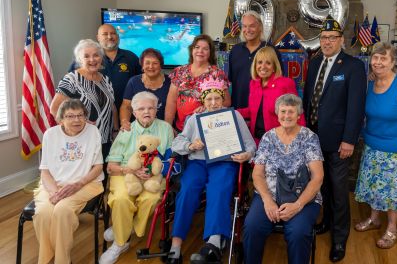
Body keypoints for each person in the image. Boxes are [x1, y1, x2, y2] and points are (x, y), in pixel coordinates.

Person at [167, 77, 256, 264]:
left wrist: (246, 155)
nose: (214, 103)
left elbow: (250, 144)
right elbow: (177, 142)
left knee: (219, 189)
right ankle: (175, 245)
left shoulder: (234, 116)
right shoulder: (194, 118)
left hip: (224, 161)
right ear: (203, 100)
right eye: (209, 99)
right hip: (198, 162)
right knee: (187, 189)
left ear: (223, 99)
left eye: (218, 98)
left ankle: (214, 243)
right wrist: (191, 145)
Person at [302, 15, 367, 262]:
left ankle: (340, 239)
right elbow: (309, 100)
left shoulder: (352, 66)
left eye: (332, 37)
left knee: (340, 192)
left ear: (341, 40)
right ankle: (326, 222)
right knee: (323, 186)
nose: (327, 41)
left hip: (340, 141)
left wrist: (349, 140)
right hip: (314, 139)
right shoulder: (315, 63)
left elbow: (356, 107)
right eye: (324, 37)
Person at [353, 42, 397, 249]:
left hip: (396, 151)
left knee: (393, 193)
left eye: (384, 58)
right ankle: (374, 219)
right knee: (374, 187)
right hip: (372, 146)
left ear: (393, 62)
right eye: (375, 57)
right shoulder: (370, 84)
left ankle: (392, 228)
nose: (378, 62)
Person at [243, 94, 324, 264]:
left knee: (298, 232)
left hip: (302, 196)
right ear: (277, 113)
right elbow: (257, 174)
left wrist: (298, 205)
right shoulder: (268, 137)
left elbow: (318, 177)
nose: (287, 116)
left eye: (291, 112)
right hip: (269, 194)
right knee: (252, 227)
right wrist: (267, 200)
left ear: (299, 114)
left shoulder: (309, 138)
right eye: (283, 111)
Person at [99, 92, 174, 264]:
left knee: (152, 198)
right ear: (134, 112)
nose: (146, 112)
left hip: (153, 174)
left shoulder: (165, 128)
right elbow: (111, 166)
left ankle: (125, 229)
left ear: (157, 110)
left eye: (150, 108)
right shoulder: (127, 130)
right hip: (125, 172)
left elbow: (170, 159)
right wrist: (130, 171)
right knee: (121, 198)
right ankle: (120, 243)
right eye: (141, 108)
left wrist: (157, 171)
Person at [34, 99, 105, 264]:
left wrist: (78, 184)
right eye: (70, 116)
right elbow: (44, 170)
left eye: (81, 115)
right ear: (61, 119)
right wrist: (54, 192)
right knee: (43, 213)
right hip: (54, 184)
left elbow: (98, 167)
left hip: (87, 183)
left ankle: (61, 260)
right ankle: (46, 259)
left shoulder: (92, 131)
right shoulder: (50, 134)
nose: (77, 120)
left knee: (62, 211)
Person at [51, 39, 118, 158]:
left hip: (104, 140)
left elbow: (112, 108)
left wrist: (116, 131)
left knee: (102, 174)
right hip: (80, 140)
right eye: (86, 56)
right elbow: (54, 109)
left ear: (101, 58)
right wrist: (72, 129)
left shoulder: (106, 80)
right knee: (84, 175)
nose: (92, 60)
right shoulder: (71, 79)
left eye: (96, 55)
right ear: (80, 60)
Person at [237, 46, 305, 143]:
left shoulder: (285, 83)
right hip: (255, 140)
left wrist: (300, 139)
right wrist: (232, 113)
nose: (263, 66)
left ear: (274, 66)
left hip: (279, 141)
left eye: (268, 63)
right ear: (255, 65)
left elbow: (298, 113)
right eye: (260, 62)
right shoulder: (253, 83)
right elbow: (252, 111)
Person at [165, 34, 230, 131]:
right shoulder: (179, 71)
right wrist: (168, 128)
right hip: (181, 129)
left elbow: (227, 102)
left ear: (210, 53)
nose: (200, 51)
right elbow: (171, 102)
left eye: (205, 49)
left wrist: (206, 107)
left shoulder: (217, 74)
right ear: (192, 50)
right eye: (197, 47)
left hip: (207, 129)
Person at [69, 24, 141, 111]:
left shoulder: (131, 57)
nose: (110, 36)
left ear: (118, 36)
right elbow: (71, 86)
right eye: (105, 34)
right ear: (98, 37)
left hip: (128, 111)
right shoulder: (86, 60)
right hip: (95, 115)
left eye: (113, 33)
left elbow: (141, 82)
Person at [228, 10, 282, 110]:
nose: (248, 30)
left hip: (263, 113)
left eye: (252, 26)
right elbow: (231, 81)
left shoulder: (271, 50)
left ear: (260, 27)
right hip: (238, 109)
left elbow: (279, 81)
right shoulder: (235, 50)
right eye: (244, 26)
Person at [119, 48, 171, 131]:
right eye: (147, 63)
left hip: (164, 129)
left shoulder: (171, 82)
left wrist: (169, 128)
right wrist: (124, 121)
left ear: (161, 65)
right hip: (138, 129)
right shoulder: (134, 81)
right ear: (142, 65)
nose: (151, 66)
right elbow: (126, 106)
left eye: (155, 63)